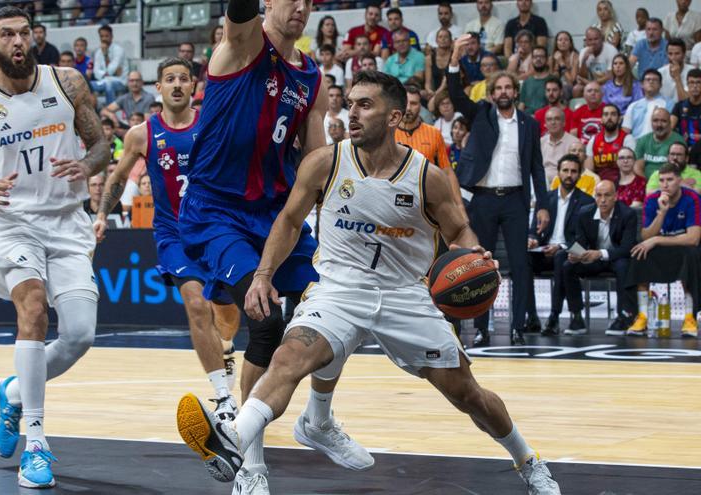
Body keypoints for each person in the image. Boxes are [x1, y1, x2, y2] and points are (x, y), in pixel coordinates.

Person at [176, 70, 562, 495]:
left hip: (405, 295)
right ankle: (235, 439)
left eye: (366, 105)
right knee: (290, 357)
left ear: (394, 116)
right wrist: (263, 274)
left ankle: (530, 462)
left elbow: (459, 232)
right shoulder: (325, 162)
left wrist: (474, 257)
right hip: (339, 290)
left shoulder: (426, 177)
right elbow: (287, 221)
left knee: (466, 393)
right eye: (351, 103)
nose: (352, 113)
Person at [176, 0, 371, 491]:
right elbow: (237, 10)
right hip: (218, 209)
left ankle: (318, 420)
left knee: (338, 310)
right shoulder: (242, 44)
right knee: (266, 321)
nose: (300, 8)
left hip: (275, 214)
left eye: (309, 2)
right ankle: (251, 465)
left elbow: (313, 158)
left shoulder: (311, 75)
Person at [0, 6, 111, 489]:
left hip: (67, 223)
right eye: (8, 35)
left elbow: (103, 144)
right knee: (34, 309)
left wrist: (87, 165)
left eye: (25, 33)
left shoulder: (67, 82)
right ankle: (37, 444)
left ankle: (15, 391)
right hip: (15, 224)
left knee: (81, 335)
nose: (19, 41)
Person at [93, 57, 241, 422]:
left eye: (183, 79)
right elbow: (118, 177)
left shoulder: (210, 124)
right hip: (174, 233)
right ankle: (223, 398)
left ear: (194, 87)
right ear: (157, 88)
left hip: (217, 228)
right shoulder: (142, 133)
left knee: (226, 315)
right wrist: (100, 213)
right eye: (169, 79)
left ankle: (225, 347)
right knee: (194, 304)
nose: (177, 84)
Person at [447, 34, 550, 346]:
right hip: (484, 199)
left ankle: (518, 326)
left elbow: (537, 166)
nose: (504, 92)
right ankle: (481, 328)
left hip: (516, 200)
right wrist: (454, 59)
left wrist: (543, 204)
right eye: (499, 88)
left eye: (508, 87)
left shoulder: (529, 124)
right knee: (481, 266)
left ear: (515, 92)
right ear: (491, 94)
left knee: (520, 265)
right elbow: (455, 96)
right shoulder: (481, 114)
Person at [626, 162, 701, 338]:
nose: (665, 184)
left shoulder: (692, 198)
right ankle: (642, 316)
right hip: (666, 248)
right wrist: (662, 212)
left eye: (670, 180)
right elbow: (646, 237)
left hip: (686, 248)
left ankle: (690, 317)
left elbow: (693, 238)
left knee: (690, 256)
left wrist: (658, 239)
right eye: (661, 180)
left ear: (679, 180)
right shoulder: (653, 199)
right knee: (640, 252)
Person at [526, 155, 595, 335]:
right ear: (558, 173)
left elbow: (585, 240)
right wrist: (532, 239)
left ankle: (554, 316)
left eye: (573, 171)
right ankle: (531, 316)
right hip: (544, 249)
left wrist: (561, 247)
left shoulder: (587, 201)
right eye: (565, 170)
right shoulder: (545, 200)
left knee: (561, 258)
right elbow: (535, 229)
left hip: (575, 250)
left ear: (580, 175)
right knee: (523, 259)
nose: (569, 175)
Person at [565, 180, 639, 335]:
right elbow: (579, 241)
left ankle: (624, 317)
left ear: (616, 196)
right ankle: (577, 317)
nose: (603, 200)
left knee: (623, 265)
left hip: (616, 258)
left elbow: (627, 248)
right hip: (593, 259)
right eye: (599, 195)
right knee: (567, 265)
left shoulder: (628, 214)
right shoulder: (585, 213)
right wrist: (578, 254)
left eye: (607, 195)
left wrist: (600, 253)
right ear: (594, 197)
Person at [395, 86, 458, 198]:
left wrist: (459, 205)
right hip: (394, 197)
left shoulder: (434, 133)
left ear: (420, 107)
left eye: (414, 103)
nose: (408, 108)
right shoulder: (386, 133)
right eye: (405, 103)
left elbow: (447, 171)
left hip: (427, 197)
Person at [586, 104, 636, 183]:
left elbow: (632, 168)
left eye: (613, 114)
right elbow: (588, 172)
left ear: (619, 119)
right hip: (599, 184)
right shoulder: (593, 140)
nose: (609, 117)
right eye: (606, 114)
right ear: (601, 119)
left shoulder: (628, 139)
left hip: (622, 183)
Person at [634, 107, 686, 178]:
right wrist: (648, 184)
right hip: (645, 183)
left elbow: (681, 169)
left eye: (663, 121)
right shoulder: (643, 140)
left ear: (670, 123)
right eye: (655, 121)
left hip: (669, 183)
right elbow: (637, 166)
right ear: (651, 122)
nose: (659, 125)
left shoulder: (679, 141)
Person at [541, 106, 581, 186]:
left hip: (565, 184)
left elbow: (576, 170)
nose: (553, 122)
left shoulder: (574, 143)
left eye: (557, 119)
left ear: (564, 123)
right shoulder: (540, 142)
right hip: (542, 184)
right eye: (549, 119)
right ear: (545, 124)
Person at [91, 25, 127, 104]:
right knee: (87, 85)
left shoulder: (118, 50)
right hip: (103, 81)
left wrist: (105, 54)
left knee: (108, 83)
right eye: (102, 36)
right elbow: (96, 72)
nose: (104, 39)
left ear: (111, 37)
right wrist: (105, 74)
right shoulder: (98, 52)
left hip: (120, 81)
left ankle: (109, 110)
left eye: (106, 36)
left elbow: (111, 71)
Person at [671, 68, 701, 148]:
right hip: (683, 150)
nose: (695, 86)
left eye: (698, 82)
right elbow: (669, 128)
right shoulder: (679, 106)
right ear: (687, 85)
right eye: (691, 82)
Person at [519, 47, 552, 114]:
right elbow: (521, 104)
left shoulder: (553, 80)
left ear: (547, 60)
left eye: (541, 56)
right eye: (535, 57)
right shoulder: (527, 81)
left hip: (545, 117)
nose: (538, 59)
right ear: (532, 60)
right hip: (528, 118)